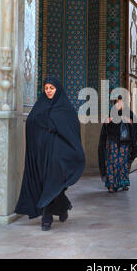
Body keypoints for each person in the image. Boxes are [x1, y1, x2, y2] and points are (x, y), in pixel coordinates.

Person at [15, 76, 85, 231]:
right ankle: (63, 206)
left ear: (57, 89)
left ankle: (46, 218)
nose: (48, 91)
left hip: (57, 156)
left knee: (51, 181)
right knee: (46, 182)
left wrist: (54, 128)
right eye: (46, 88)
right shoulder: (40, 106)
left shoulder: (66, 109)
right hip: (41, 153)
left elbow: (71, 131)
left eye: (51, 88)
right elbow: (31, 123)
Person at [98, 96, 137, 193]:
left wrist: (127, 120)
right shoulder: (112, 113)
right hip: (112, 141)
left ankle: (123, 183)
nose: (120, 104)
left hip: (124, 142)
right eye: (118, 103)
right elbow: (106, 126)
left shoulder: (128, 113)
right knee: (112, 162)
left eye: (121, 102)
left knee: (123, 162)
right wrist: (109, 121)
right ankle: (112, 185)